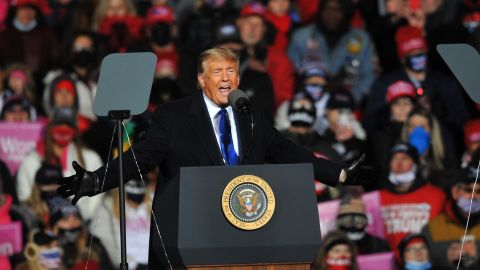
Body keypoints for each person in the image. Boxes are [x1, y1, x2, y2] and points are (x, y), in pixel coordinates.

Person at [56, 47, 371, 268]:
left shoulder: (250, 114)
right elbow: (141, 156)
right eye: (217, 71)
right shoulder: (174, 116)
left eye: (231, 71)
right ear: (200, 79)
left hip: (245, 240)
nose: (225, 78)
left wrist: (338, 174)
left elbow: (286, 149)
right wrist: (97, 179)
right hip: (187, 237)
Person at [380, 143, 445, 253]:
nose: (399, 164)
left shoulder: (437, 195)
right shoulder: (377, 198)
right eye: (395, 159)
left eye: (405, 158)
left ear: (415, 164)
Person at [421, 159, 480, 270]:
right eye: (468, 190)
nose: (474, 196)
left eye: (479, 191)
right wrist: (446, 258)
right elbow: (421, 263)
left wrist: (476, 258)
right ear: (455, 192)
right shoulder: (433, 228)